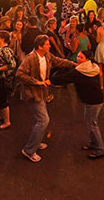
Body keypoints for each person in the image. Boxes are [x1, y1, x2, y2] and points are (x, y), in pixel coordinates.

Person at [17, 35, 76, 163]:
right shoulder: (31, 58)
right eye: (47, 44)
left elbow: (58, 61)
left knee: (39, 119)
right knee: (43, 120)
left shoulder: (47, 56)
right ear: (40, 46)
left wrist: (73, 64)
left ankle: (36, 142)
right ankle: (29, 150)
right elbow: (20, 73)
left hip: (42, 93)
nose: (50, 46)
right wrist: (36, 82)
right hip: (33, 94)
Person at [67, 50, 104, 159]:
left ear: (87, 59)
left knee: (92, 123)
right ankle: (93, 143)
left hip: (93, 101)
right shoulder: (92, 67)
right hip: (93, 99)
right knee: (89, 121)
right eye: (78, 56)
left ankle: (100, 149)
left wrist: (50, 80)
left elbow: (65, 78)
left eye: (81, 57)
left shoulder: (80, 71)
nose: (78, 59)